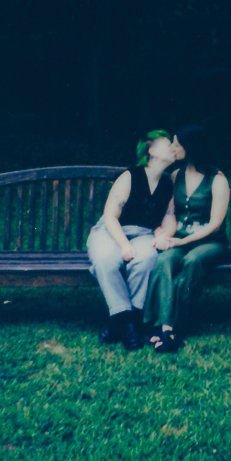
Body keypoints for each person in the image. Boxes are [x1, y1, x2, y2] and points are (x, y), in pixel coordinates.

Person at [86, 130, 176, 350]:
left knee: (145, 259)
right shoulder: (130, 176)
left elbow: (170, 216)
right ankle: (126, 322)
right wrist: (124, 245)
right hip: (110, 230)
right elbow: (110, 216)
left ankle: (125, 322)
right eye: (167, 144)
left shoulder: (167, 183)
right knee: (107, 260)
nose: (173, 148)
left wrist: (164, 234)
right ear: (151, 149)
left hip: (144, 235)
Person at [144, 125, 230, 352]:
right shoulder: (175, 175)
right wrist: (165, 234)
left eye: (176, 143)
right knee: (164, 260)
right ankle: (164, 328)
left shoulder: (217, 179)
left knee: (192, 261)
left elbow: (215, 225)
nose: (172, 148)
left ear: (190, 148)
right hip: (180, 238)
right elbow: (170, 213)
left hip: (211, 243)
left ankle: (173, 327)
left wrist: (181, 242)